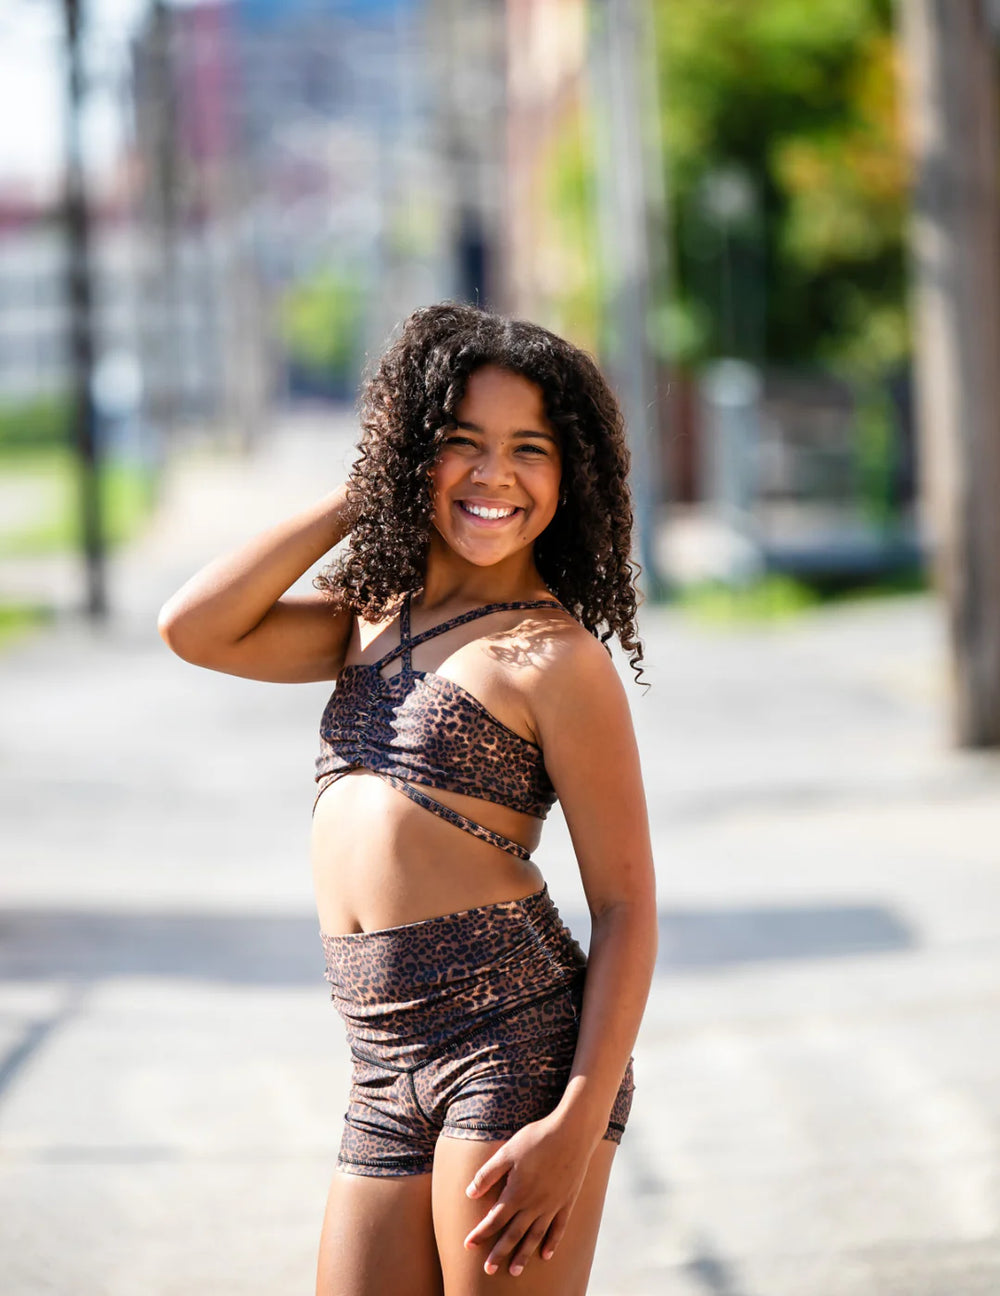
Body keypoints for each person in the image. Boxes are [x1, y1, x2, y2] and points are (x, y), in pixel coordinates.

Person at [158, 301, 657, 1295]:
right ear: (414, 454)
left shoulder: (555, 658)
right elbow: (195, 626)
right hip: (381, 1060)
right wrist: (362, 495)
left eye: (529, 449)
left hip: (510, 1047)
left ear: (570, 474)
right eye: (459, 444)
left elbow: (625, 906)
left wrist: (576, 1118)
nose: (493, 476)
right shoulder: (370, 618)